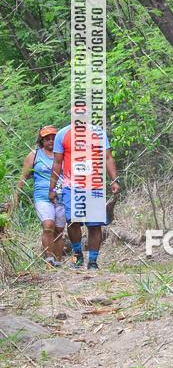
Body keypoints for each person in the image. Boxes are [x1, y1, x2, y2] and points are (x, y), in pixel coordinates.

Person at [48, 110, 120, 270]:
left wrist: (114, 180)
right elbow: (57, 163)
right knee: (73, 222)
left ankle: (93, 261)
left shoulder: (98, 133)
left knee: (94, 225)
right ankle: (78, 255)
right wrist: (52, 187)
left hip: (94, 185)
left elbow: (107, 157)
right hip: (71, 186)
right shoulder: (62, 134)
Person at [12, 126, 66, 268]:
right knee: (48, 225)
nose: (50, 141)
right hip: (42, 196)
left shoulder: (63, 154)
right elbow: (23, 177)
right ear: (41, 141)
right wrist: (16, 197)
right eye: (47, 138)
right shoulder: (34, 155)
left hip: (61, 196)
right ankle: (49, 260)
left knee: (59, 230)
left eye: (53, 138)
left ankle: (58, 261)